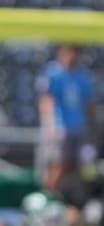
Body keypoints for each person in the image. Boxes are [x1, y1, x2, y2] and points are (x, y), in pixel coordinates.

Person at [37, 45, 100, 204]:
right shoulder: (53, 73)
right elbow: (47, 100)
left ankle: (77, 200)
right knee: (59, 165)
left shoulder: (83, 76)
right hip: (61, 128)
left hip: (81, 128)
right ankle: (48, 199)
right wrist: (49, 125)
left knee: (84, 166)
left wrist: (95, 127)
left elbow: (88, 104)